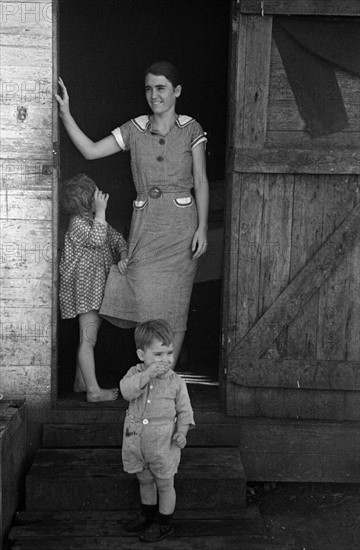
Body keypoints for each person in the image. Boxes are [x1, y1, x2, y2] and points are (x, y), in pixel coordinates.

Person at [55, 61, 209, 365]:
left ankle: (163, 379)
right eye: (149, 88)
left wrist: (202, 228)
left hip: (182, 228)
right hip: (146, 226)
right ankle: (151, 370)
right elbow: (90, 151)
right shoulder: (135, 128)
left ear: (176, 91)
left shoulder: (191, 128)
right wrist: (65, 115)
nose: (154, 95)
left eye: (161, 88)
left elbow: (201, 180)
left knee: (176, 306)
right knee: (143, 300)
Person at [119, 319, 194, 542]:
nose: (166, 360)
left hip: (163, 445)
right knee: (144, 480)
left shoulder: (177, 382)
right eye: (158, 355)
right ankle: (148, 515)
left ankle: (164, 523)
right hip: (136, 443)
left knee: (164, 483)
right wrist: (147, 374)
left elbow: (185, 411)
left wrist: (182, 432)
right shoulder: (134, 373)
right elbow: (126, 391)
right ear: (142, 355)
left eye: (169, 353)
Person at [59, 173, 128, 402]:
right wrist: (101, 212)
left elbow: (116, 238)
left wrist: (123, 254)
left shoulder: (93, 221)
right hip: (86, 291)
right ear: (87, 201)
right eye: (95, 195)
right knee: (88, 340)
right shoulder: (78, 223)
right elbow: (98, 239)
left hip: (97, 290)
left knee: (87, 339)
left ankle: (81, 383)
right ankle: (93, 391)